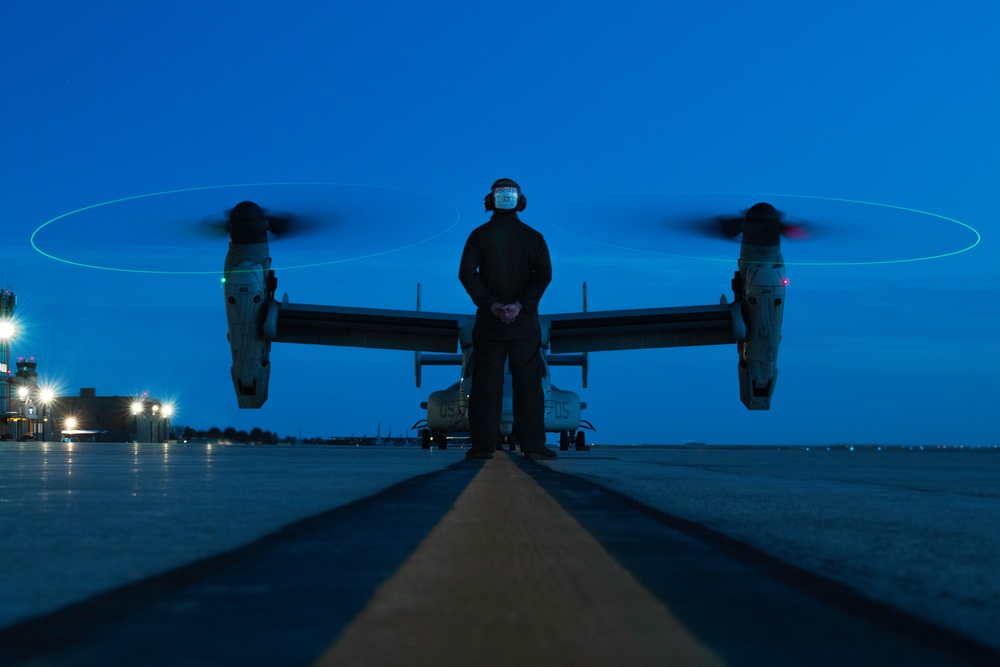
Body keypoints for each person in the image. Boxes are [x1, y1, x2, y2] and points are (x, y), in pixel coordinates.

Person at [459, 178, 556, 460]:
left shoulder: (478, 236)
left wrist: (491, 305)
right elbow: (544, 276)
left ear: (490, 202)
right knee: (529, 384)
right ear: (521, 202)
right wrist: (519, 306)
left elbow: (466, 275)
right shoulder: (535, 238)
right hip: (524, 324)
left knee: (486, 383)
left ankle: (483, 446)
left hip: (489, 324)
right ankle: (534, 445)